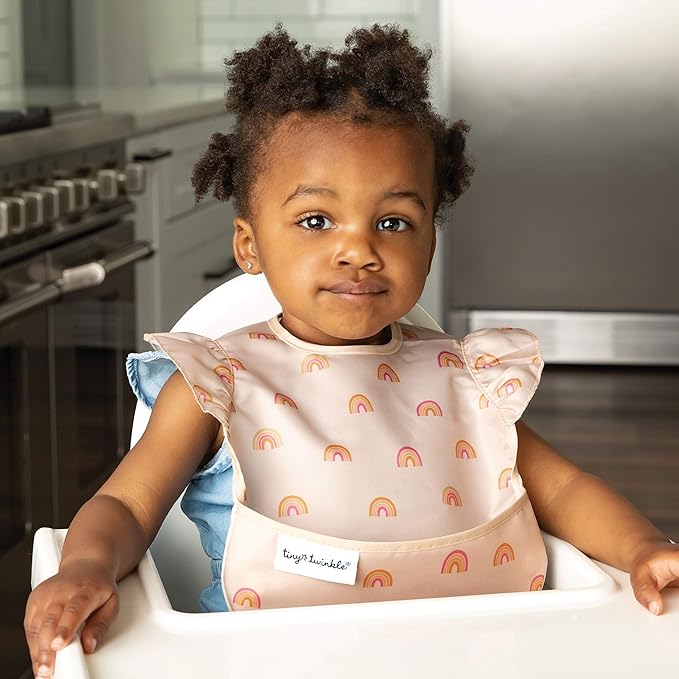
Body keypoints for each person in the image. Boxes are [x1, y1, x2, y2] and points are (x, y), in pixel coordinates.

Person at [25, 24, 678, 679]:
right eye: (316, 221)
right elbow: (127, 505)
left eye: (393, 222)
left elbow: (564, 487)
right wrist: (87, 565)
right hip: (264, 664)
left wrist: (642, 547)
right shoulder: (217, 385)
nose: (359, 250)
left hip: (478, 656)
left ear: (429, 244)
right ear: (249, 245)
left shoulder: (467, 379)